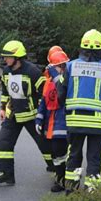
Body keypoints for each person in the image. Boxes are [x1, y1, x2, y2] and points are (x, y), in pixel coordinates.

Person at [54, 29, 101, 192]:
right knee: (94, 159)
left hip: (75, 121)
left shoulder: (70, 66)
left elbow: (60, 93)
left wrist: (68, 108)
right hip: (98, 123)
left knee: (74, 157)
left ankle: (71, 192)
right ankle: (91, 194)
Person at [0, 40, 53, 185]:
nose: (5, 59)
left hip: (32, 115)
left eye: (7, 57)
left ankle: (55, 166)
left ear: (17, 57)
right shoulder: (6, 71)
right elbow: (6, 92)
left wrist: (43, 113)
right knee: (4, 141)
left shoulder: (32, 72)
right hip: (13, 114)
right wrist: (2, 108)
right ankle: (6, 174)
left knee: (43, 143)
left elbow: (45, 92)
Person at [36, 49, 69, 192]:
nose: (59, 69)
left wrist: (56, 76)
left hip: (62, 124)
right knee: (55, 154)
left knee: (60, 153)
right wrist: (39, 119)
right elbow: (44, 102)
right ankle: (60, 177)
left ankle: (62, 180)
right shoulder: (48, 82)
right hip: (50, 124)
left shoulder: (68, 81)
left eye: (61, 66)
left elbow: (63, 96)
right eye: (57, 66)